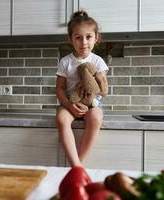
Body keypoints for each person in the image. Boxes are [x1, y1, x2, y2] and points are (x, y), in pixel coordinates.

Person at [56, 10, 109, 167]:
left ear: (96, 38)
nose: (84, 42)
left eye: (88, 37)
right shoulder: (66, 62)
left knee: (96, 117)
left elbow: (101, 88)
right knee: (61, 119)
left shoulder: (98, 61)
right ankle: (75, 164)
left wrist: (93, 86)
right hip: (70, 103)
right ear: (70, 39)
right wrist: (69, 105)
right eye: (78, 38)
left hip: (91, 104)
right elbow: (59, 89)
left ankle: (80, 162)